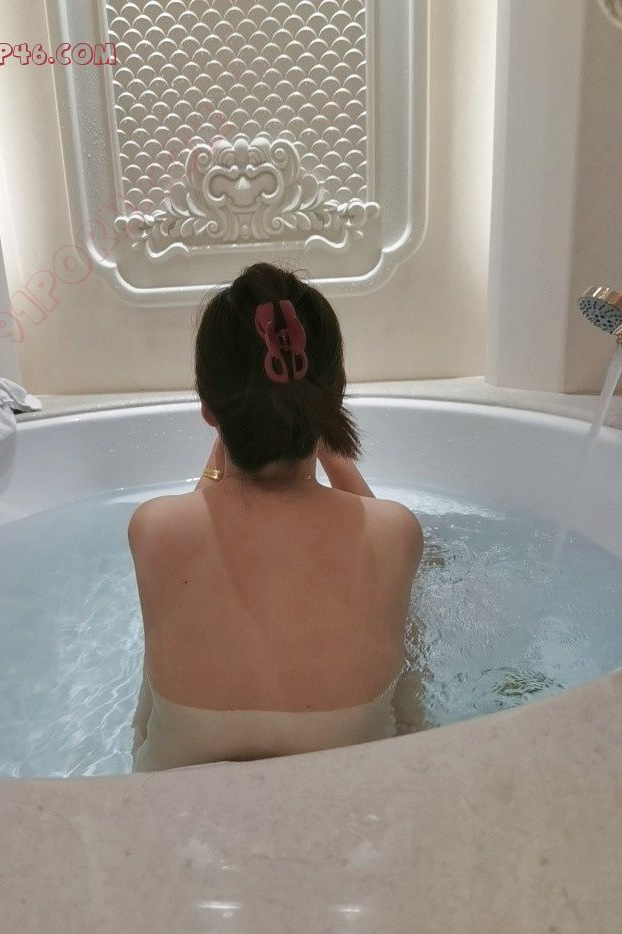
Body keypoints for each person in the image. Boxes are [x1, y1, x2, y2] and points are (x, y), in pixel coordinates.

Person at [128, 262, 423, 771]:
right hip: (360, 785)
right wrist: (327, 437)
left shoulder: (153, 529)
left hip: (172, 792)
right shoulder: (396, 531)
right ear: (332, 398)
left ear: (208, 410)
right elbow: (369, 513)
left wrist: (229, 435)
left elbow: (204, 507)